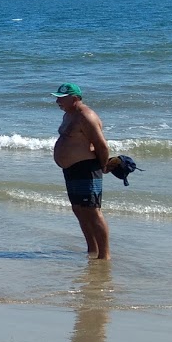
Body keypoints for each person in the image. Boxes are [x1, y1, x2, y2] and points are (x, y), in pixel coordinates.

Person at [51, 82, 112, 261]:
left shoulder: (87, 116)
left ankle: (104, 256)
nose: (57, 102)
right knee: (78, 209)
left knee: (92, 211)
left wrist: (104, 166)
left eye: (61, 98)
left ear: (75, 98)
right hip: (71, 169)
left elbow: (102, 145)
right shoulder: (69, 115)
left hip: (87, 168)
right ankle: (92, 250)